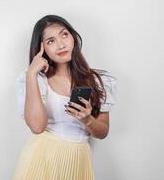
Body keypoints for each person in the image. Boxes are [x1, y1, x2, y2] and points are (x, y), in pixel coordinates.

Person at [13, 14, 117, 180]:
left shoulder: (100, 81)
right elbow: (37, 127)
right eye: (50, 41)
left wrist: (87, 119)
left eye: (64, 35)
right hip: (42, 159)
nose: (61, 44)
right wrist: (32, 73)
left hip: (79, 159)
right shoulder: (36, 79)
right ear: (42, 48)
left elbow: (103, 132)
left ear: (73, 37)